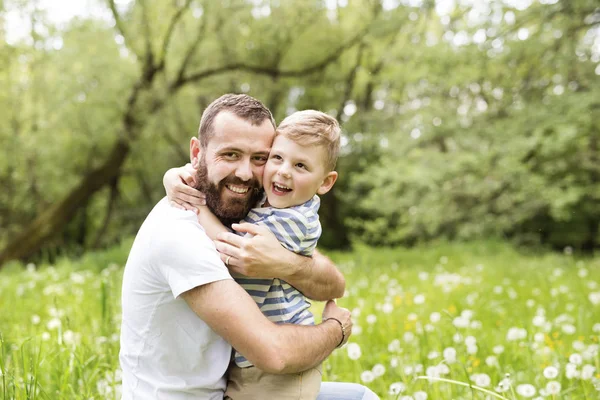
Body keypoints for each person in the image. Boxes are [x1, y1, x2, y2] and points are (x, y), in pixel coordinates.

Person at [119, 93, 378, 400]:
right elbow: (275, 354)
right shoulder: (179, 231)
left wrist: (286, 263)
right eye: (230, 155)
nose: (245, 173)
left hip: (232, 389)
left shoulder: (243, 206)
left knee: (362, 397)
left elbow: (334, 284)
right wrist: (336, 328)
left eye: (259, 158)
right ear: (197, 153)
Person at [164, 110, 342, 399]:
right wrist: (174, 175)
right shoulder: (275, 200)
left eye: (300, 165)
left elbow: (228, 244)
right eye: (276, 158)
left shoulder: (295, 221)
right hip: (253, 360)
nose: (283, 171)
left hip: (282, 365)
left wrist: (194, 203)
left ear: (325, 182)